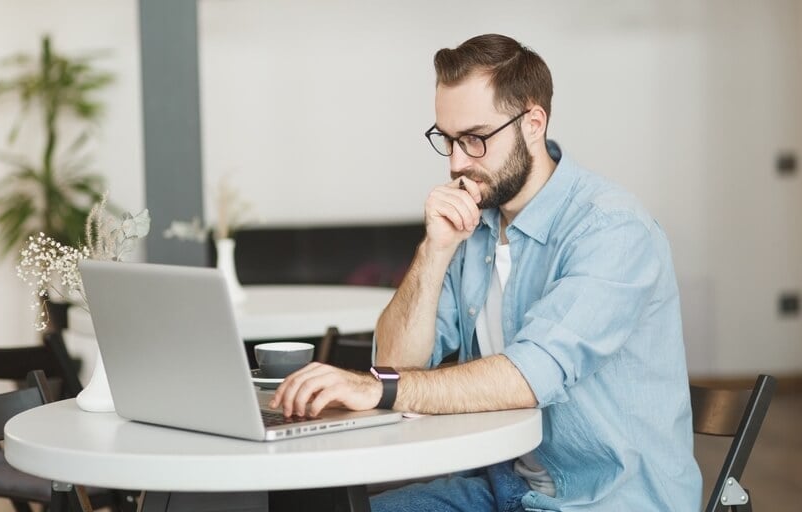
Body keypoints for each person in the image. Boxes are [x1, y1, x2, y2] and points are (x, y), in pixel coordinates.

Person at [271, 33, 701, 511]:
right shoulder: (474, 226)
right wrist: (434, 250)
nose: (457, 163)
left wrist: (377, 388)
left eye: (475, 139)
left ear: (533, 123)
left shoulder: (612, 231)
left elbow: (528, 378)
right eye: (447, 140)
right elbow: (395, 366)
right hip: (500, 489)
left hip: (602, 499)